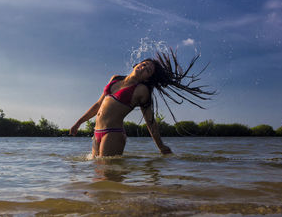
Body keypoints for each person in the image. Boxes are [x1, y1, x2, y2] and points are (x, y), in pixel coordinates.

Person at [69, 48, 214, 157]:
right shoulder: (115, 78)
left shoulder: (141, 90)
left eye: (148, 70)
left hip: (113, 134)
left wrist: (161, 146)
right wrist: (78, 123)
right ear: (136, 65)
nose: (144, 68)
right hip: (97, 132)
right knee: (97, 178)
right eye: (144, 64)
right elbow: (98, 105)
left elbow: (150, 121)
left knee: (107, 174)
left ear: (147, 79)